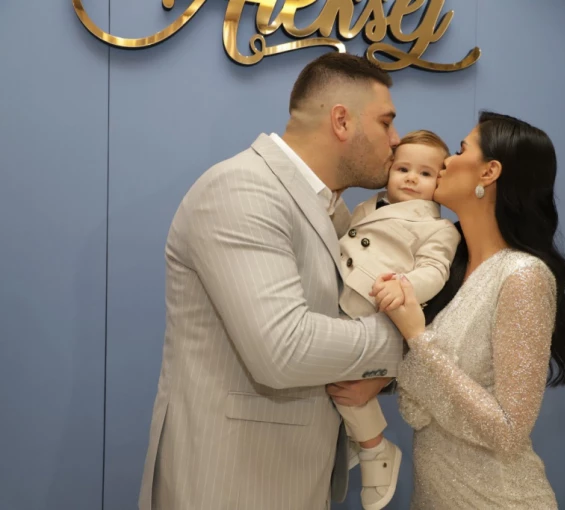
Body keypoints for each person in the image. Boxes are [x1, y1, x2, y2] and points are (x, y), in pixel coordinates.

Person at [138, 53, 406, 510]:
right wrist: (408, 341)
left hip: (291, 477)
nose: (396, 140)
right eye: (386, 122)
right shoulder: (243, 189)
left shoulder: (332, 211)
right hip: (231, 484)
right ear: (342, 121)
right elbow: (283, 349)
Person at [371, 112, 565, 509]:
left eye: (460, 150)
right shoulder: (443, 267)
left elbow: (508, 431)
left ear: (489, 172)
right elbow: (427, 386)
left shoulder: (522, 275)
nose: (446, 162)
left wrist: (419, 337)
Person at [334, 130, 460, 510]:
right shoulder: (367, 206)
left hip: (376, 310)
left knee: (345, 387)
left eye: (425, 173)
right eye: (403, 168)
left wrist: (403, 285)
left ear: (440, 182)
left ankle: (376, 450)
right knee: (333, 383)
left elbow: (435, 271)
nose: (411, 178)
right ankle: (358, 439)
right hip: (340, 299)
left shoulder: (439, 228)